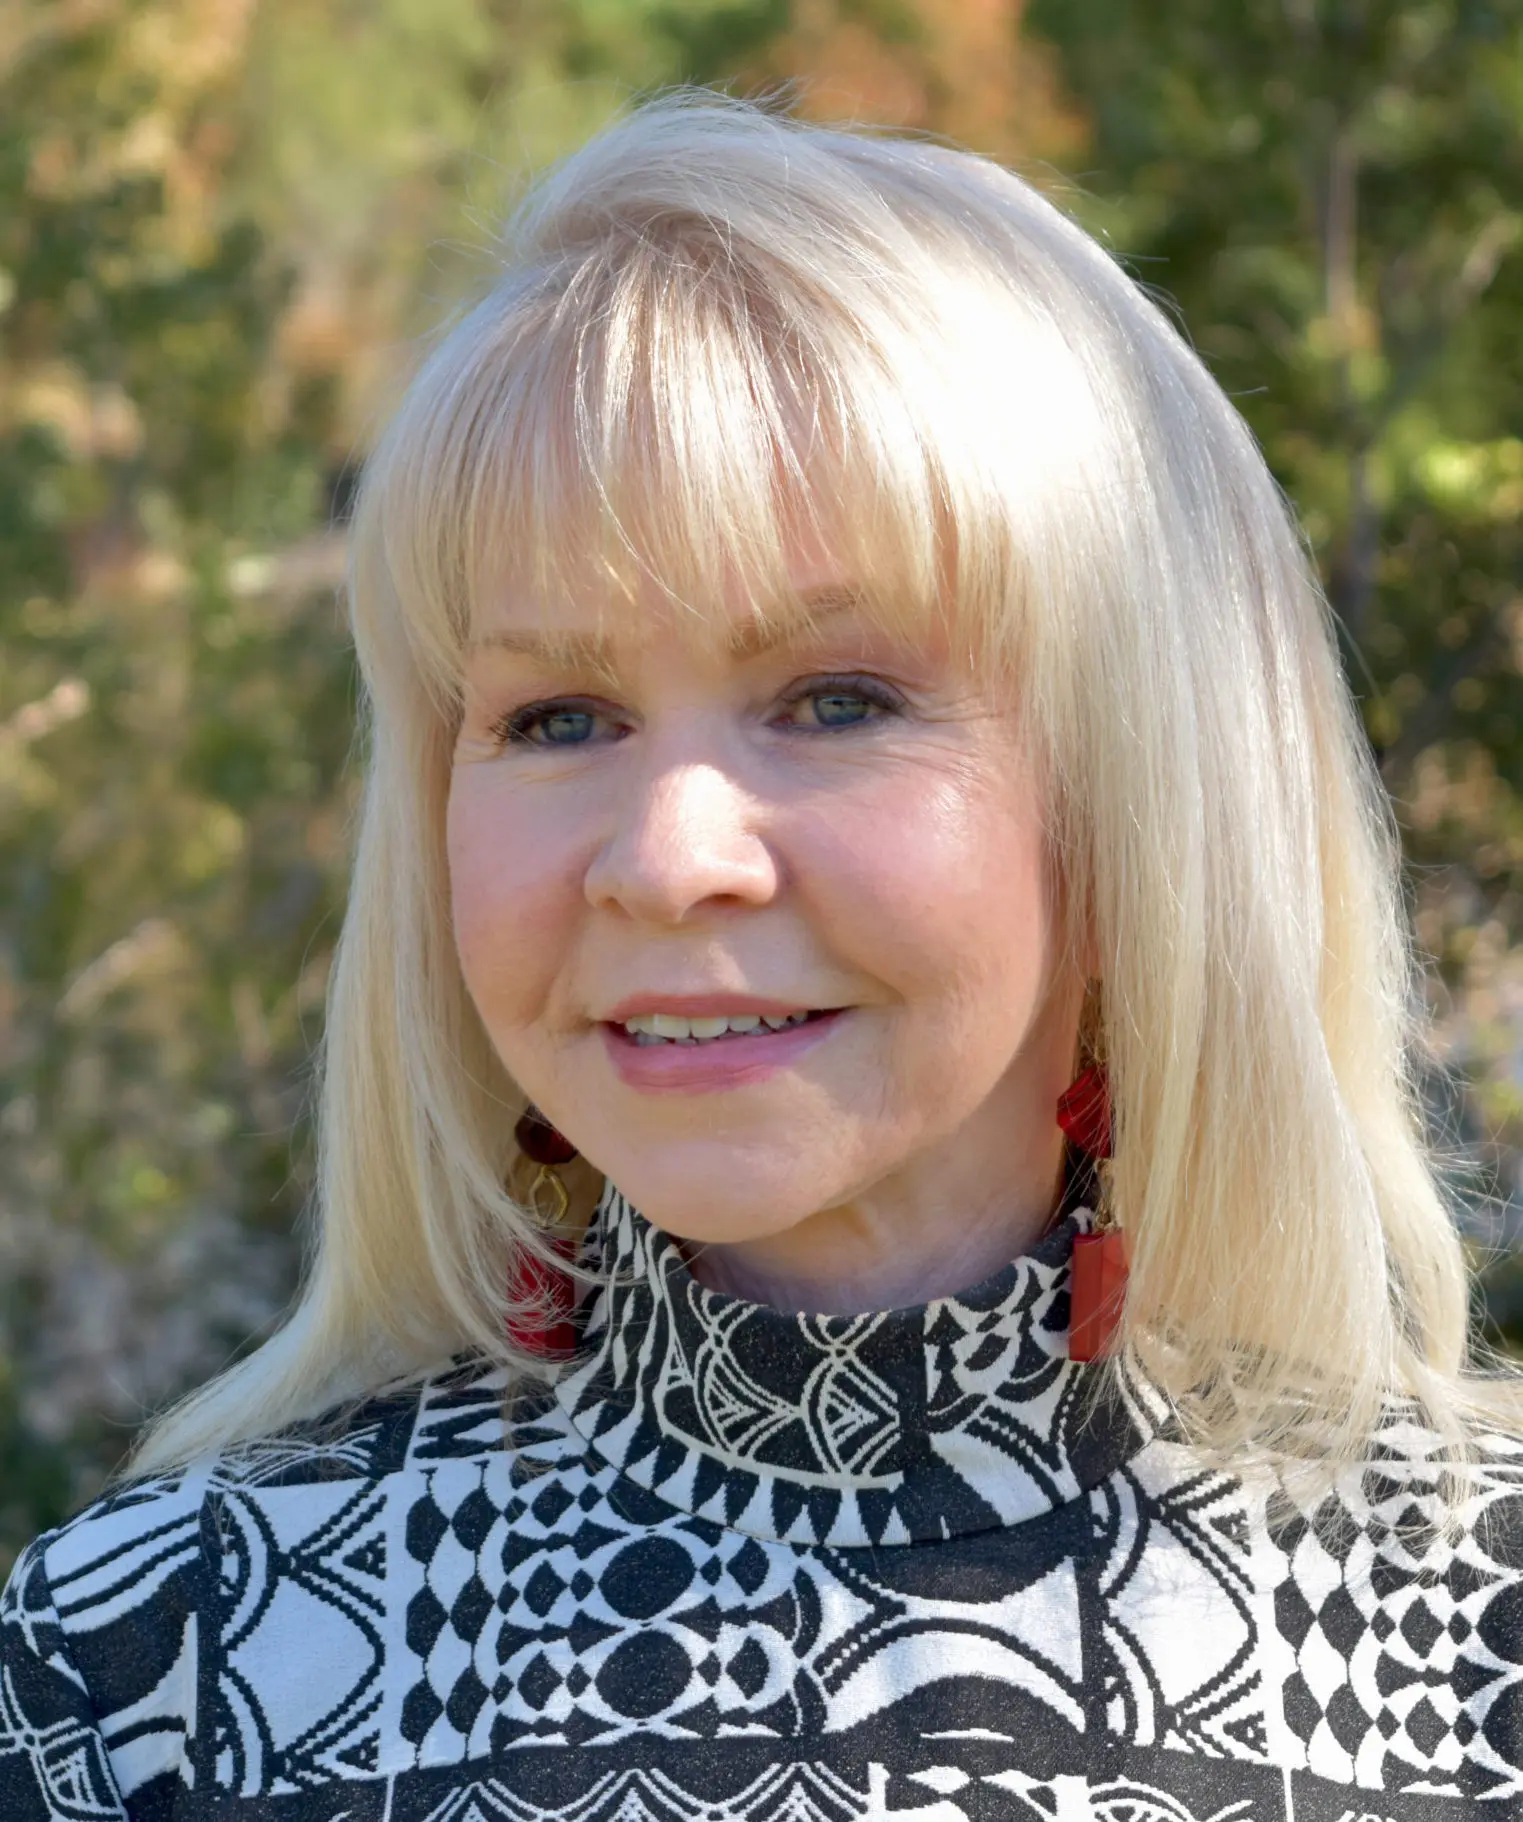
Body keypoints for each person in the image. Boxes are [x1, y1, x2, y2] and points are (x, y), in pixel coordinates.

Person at [4, 89, 1522, 1822]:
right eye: (557, 715)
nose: (668, 859)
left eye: (836, 698)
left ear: (1143, 796)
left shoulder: (1480, 1629)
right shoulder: (163, 1670)